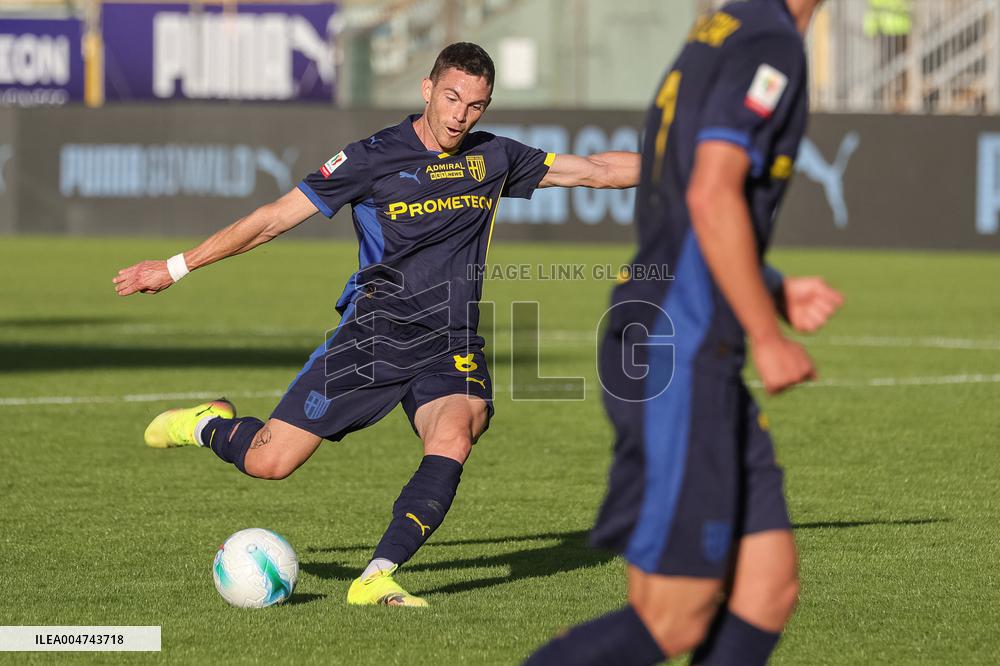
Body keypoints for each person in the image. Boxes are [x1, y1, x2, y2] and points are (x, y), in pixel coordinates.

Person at [113, 42, 640, 607]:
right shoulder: (370, 158)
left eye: (476, 106)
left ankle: (376, 577)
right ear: (427, 89)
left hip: (451, 341)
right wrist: (175, 266)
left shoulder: (495, 158)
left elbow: (599, 170)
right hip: (376, 337)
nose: (459, 116)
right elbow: (272, 220)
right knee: (270, 461)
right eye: (451, 98)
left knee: (457, 431)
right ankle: (205, 425)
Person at [526, 1, 843, 664]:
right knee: (672, 619)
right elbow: (708, 194)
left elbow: (682, 199)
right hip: (681, 347)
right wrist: (770, 332)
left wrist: (773, 287)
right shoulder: (768, 41)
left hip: (677, 334)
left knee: (766, 589)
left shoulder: (723, 28)